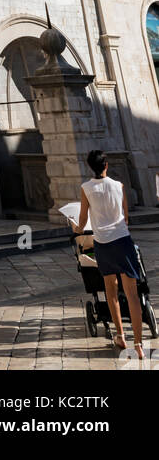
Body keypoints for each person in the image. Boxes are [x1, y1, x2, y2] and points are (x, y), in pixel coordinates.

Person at [77, 148, 144, 358]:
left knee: (111, 293)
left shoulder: (86, 188)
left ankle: (121, 336)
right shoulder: (119, 186)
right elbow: (126, 218)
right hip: (122, 241)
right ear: (106, 165)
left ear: (90, 166)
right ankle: (139, 344)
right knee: (132, 295)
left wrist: (77, 229)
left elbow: (82, 221)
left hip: (102, 244)